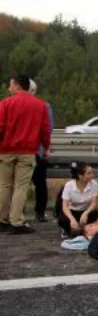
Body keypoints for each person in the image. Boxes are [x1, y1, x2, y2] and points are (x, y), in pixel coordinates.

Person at [0, 75, 52, 234]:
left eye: (10, 85)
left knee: (4, 186)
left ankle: (2, 220)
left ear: (17, 85)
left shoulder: (5, 103)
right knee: (20, 187)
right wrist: (46, 146)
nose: (9, 88)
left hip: (5, 150)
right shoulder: (40, 105)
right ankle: (16, 221)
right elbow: (45, 129)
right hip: (27, 152)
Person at [28, 79, 54, 223]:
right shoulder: (44, 106)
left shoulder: (10, 103)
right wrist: (45, 148)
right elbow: (47, 129)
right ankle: (40, 212)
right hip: (37, 150)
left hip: (18, 149)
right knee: (40, 183)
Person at [58, 161, 98, 238]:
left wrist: (86, 213)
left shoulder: (94, 184)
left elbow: (94, 203)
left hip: (86, 210)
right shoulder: (69, 185)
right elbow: (65, 206)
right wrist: (72, 219)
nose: (92, 175)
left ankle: (82, 229)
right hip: (72, 211)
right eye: (89, 173)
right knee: (62, 219)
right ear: (80, 176)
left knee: (97, 215)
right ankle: (68, 229)